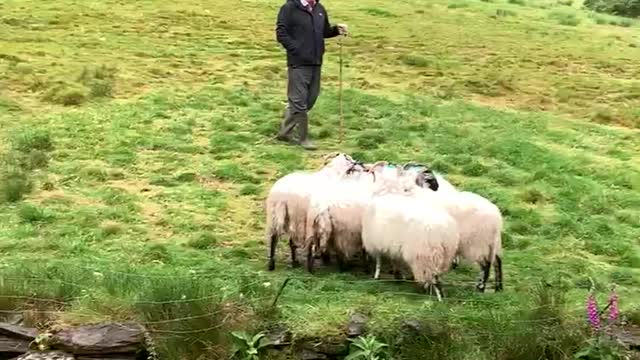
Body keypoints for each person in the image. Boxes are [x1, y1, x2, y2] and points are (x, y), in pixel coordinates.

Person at [275, 0, 348, 150]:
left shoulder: (319, 8)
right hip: (298, 62)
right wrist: (297, 49)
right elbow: (281, 33)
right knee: (298, 101)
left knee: (310, 99)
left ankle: (284, 133)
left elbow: (324, 31)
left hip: (316, 62)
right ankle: (303, 138)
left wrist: (336, 30)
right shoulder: (289, 8)